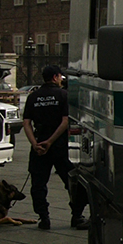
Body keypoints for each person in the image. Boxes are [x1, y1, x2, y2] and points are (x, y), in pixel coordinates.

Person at [23, 65, 88, 230]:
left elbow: (27, 123)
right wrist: (51, 141)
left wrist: (35, 143)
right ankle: (76, 215)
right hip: (59, 146)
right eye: (60, 77)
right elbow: (65, 121)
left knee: (38, 183)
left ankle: (43, 217)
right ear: (55, 77)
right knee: (71, 181)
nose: (61, 80)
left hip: (39, 144)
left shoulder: (33, 96)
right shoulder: (63, 95)